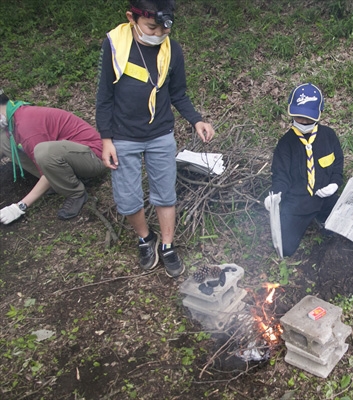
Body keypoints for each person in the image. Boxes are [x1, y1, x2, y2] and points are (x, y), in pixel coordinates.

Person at [96, 0, 215, 278]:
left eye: (164, 29)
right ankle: (144, 238)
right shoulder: (115, 45)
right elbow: (105, 97)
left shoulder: (172, 49)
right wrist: (106, 139)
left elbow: (178, 93)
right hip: (123, 135)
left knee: (165, 194)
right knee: (128, 197)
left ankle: (167, 245)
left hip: (160, 133)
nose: (158, 34)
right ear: (131, 17)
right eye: (152, 27)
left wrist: (196, 119)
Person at [0, 90, 105, 224]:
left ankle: (76, 193)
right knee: (3, 139)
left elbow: (45, 156)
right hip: (69, 157)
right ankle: (57, 182)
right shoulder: (13, 116)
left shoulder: (26, 125)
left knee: (43, 151)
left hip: (94, 157)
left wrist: (19, 206)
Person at [264, 83, 344, 257]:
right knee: (285, 249)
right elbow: (281, 176)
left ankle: (323, 219)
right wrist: (275, 194)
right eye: (299, 117)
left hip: (325, 198)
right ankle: (306, 220)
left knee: (346, 231)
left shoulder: (328, 136)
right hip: (298, 202)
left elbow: (337, 164)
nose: (304, 122)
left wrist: (335, 184)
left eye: (309, 118)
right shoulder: (286, 144)